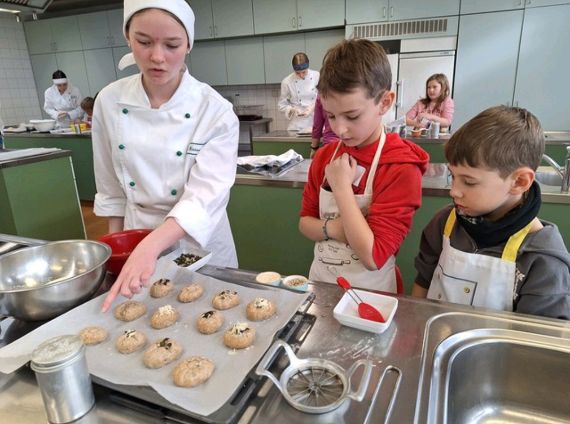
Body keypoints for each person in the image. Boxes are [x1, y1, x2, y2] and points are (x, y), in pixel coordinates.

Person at [94, 0, 239, 312]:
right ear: (128, 38)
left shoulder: (214, 111)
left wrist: (151, 245)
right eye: (144, 42)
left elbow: (204, 197)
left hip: (200, 243)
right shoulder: (109, 101)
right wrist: (117, 252)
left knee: (207, 315)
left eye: (171, 44)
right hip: (136, 233)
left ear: (188, 44)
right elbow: (110, 188)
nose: (157, 57)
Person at [412, 106, 570, 320]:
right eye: (453, 176)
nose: (454, 191)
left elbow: (538, 341)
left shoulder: (542, 260)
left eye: (469, 181)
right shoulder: (445, 223)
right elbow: (423, 281)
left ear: (519, 182)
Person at [299, 39, 429, 291]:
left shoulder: (400, 166)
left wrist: (341, 188)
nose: (339, 128)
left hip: (372, 295)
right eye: (331, 115)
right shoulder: (325, 157)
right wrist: (337, 229)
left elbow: (372, 255)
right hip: (323, 286)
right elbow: (305, 223)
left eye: (352, 115)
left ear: (385, 102)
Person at [278, 52, 319, 131]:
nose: (301, 75)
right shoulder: (287, 81)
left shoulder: (317, 76)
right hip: (297, 125)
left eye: (304, 72)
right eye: (297, 73)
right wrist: (292, 109)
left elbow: (325, 98)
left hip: (316, 121)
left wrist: (313, 106)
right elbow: (282, 105)